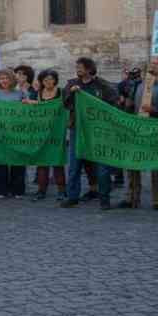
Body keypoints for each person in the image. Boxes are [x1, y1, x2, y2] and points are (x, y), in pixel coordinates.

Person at [60, 57, 119, 210]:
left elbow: (114, 102)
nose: (78, 69)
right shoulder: (72, 84)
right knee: (74, 164)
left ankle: (104, 198)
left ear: (89, 69)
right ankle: (72, 197)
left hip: (99, 130)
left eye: (80, 67)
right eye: (77, 67)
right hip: (78, 129)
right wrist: (72, 94)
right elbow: (65, 103)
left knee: (102, 166)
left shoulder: (103, 85)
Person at [123, 58, 158, 210]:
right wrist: (127, 104)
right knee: (132, 163)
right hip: (137, 128)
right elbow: (130, 105)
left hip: (155, 128)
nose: (152, 67)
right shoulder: (138, 85)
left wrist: (155, 110)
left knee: (157, 165)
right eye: (150, 65)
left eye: (156, 65)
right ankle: (132, 196)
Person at [0, 69, 28, 199]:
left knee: (18, 161)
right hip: (0, 133)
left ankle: (17, 190)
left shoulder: (20, 93)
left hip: (17, 132)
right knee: (1, 160)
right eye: (1, 78)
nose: (4, 81)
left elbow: (28, 108)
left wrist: (26, 102)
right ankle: (1, 190)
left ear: (12, 79)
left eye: (6, 78)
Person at [31, 70, 66, 201]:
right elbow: (36, 108)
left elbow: (67, 107)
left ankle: (62, 191)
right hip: (42, 131)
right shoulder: (39, 93)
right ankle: (41, 190)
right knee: (42, 163)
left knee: (58, 162)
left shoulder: (61, 92)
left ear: (55, 80)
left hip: (57, 132)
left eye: (51, 79)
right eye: (45, 80)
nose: (48, 82)